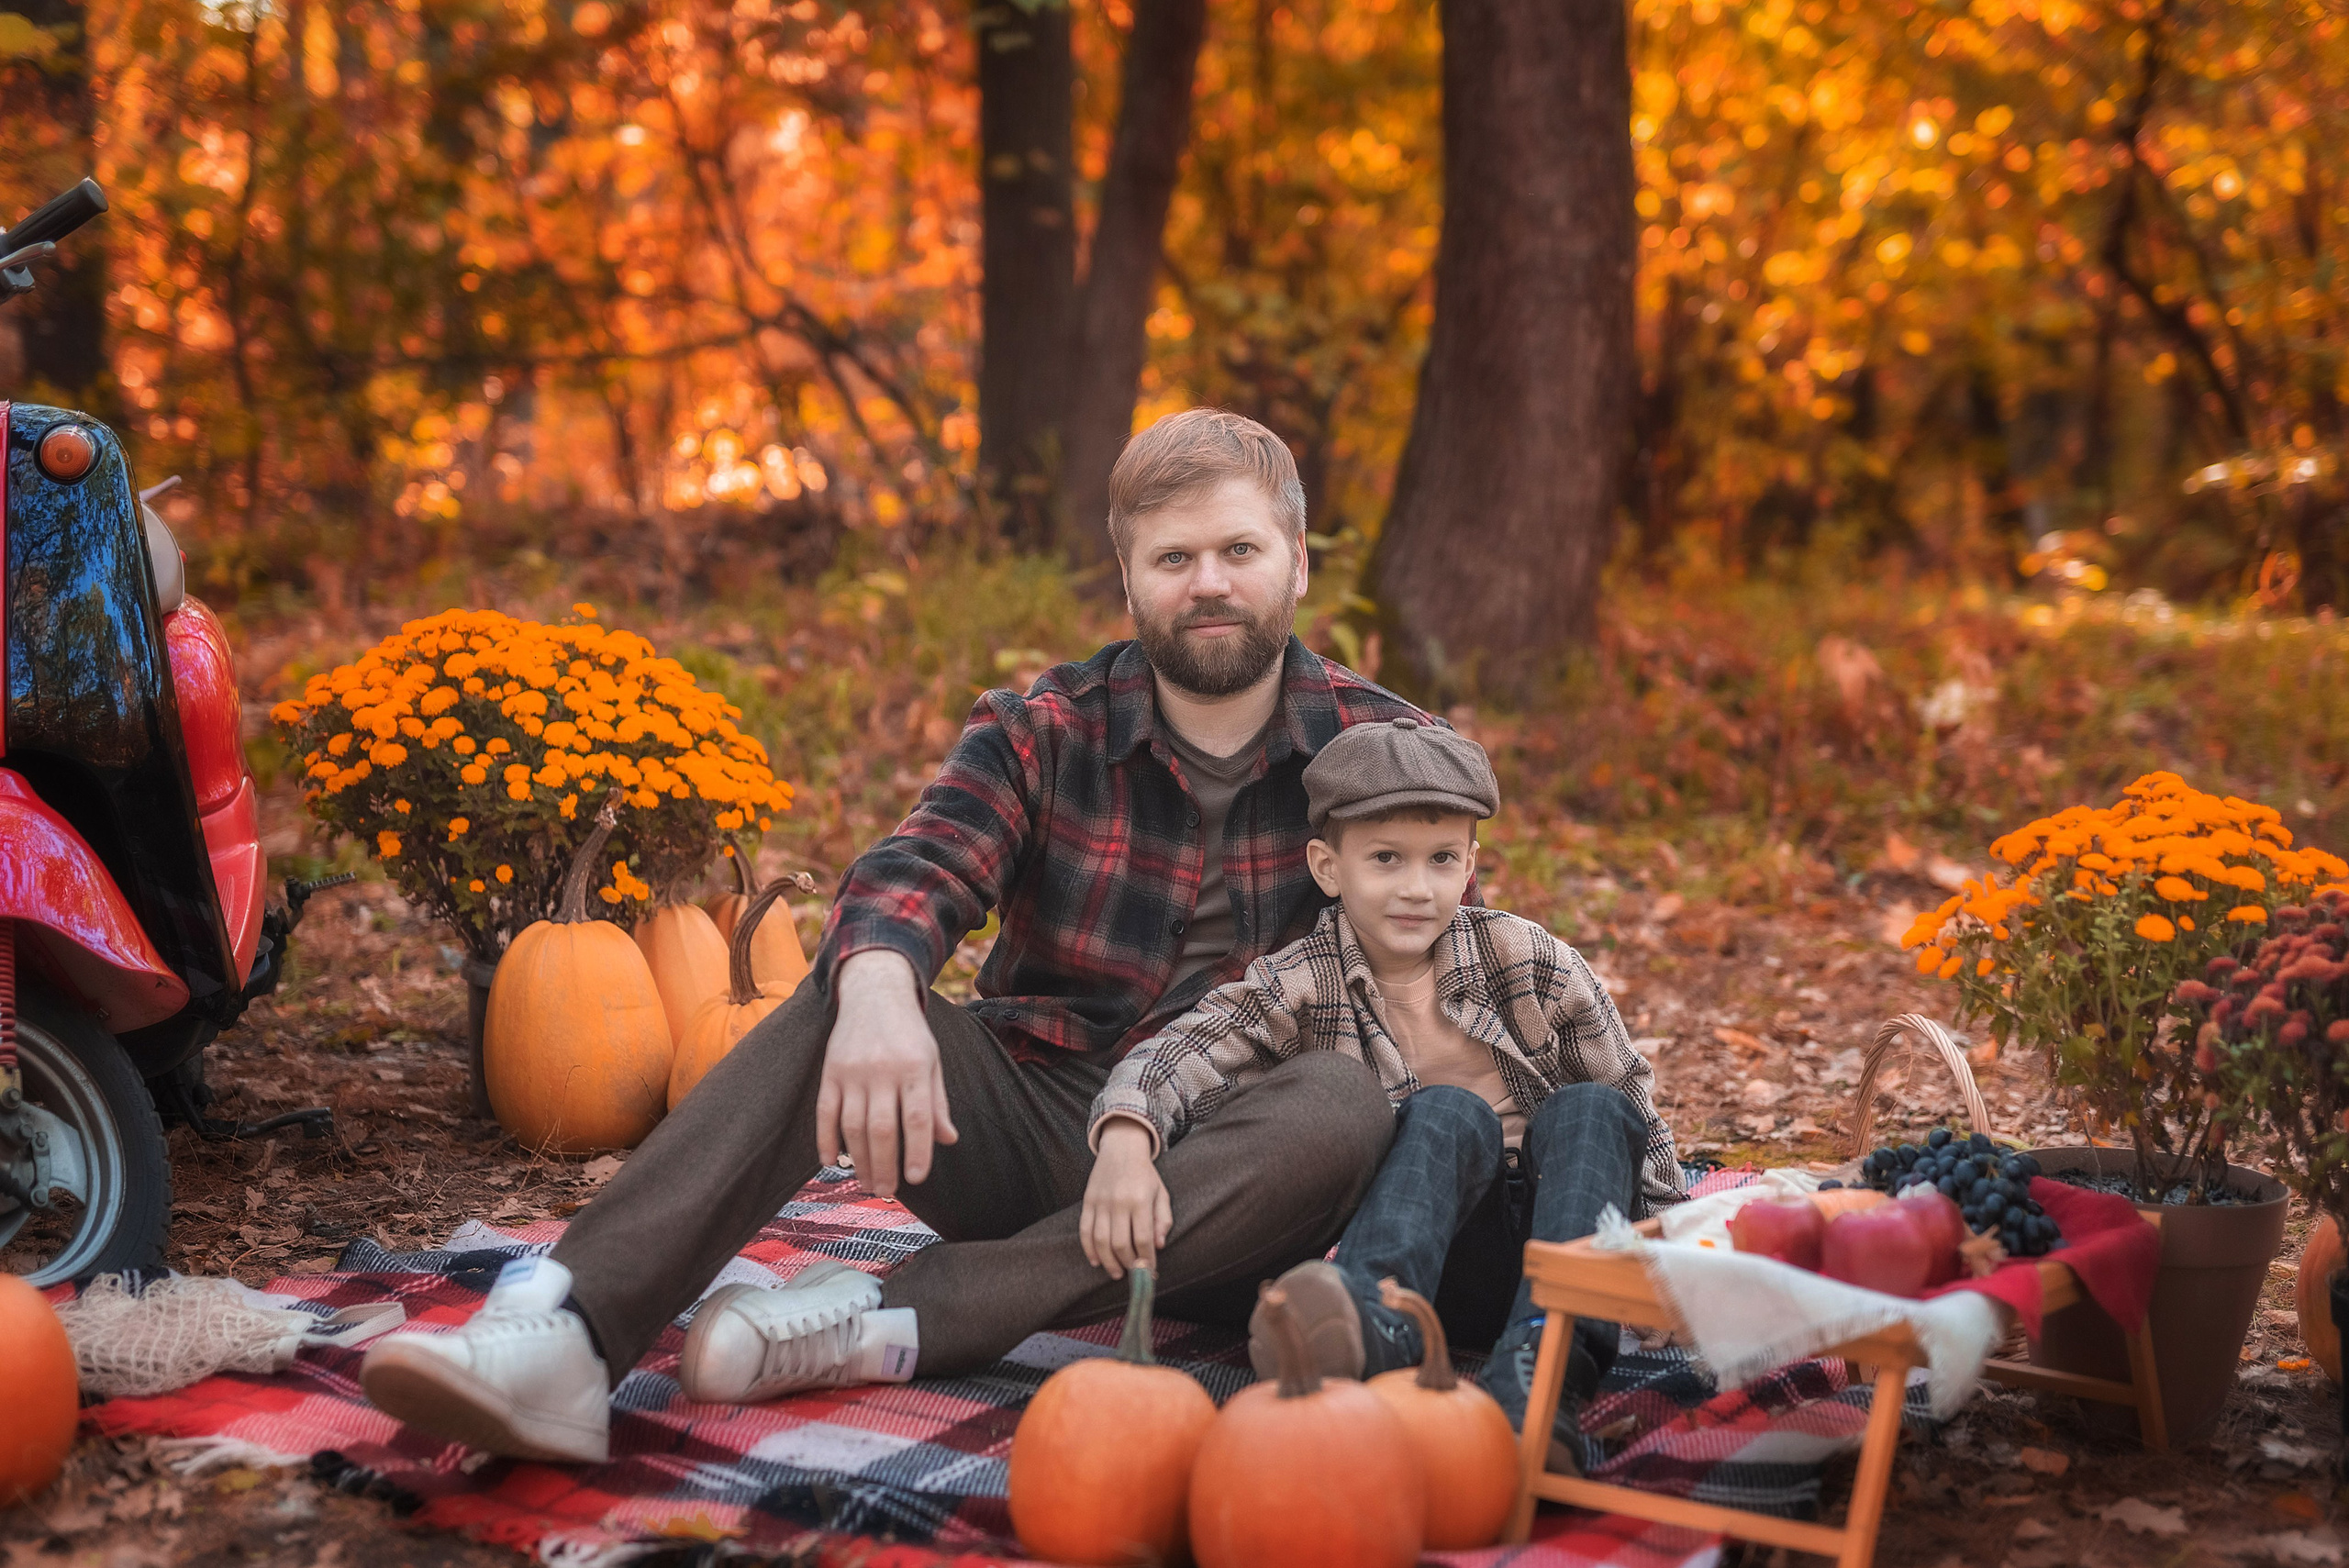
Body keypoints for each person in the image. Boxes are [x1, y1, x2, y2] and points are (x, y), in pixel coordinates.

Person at [359, 408, 1439, 1464]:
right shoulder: (1041, 730)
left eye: (1239, 549)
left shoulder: (1385, 750)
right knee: (853, 976)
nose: (1207, 582)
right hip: (1031, 1122)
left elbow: (1449, 969)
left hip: (1226, 1185)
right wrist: (876, 988)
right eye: (1174, 556)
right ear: (1128, 581)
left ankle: (902, 1310)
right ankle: (567, 1329)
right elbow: (916, 868)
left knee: (1342, 1097)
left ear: (1297, 563)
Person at [1080, 717, 1683, 1471]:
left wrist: (1673, 1259)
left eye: (1440, 860)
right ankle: (1365, 1328)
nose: (1415, 888)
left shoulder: (1532, 963)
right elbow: (1183, 1051)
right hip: (1428, 1257)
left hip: (1565, 1247)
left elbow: (1634, 1105)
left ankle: (1541, 1382)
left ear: (1469, 865)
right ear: (1329, 867)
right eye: (1386, 858)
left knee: (1593, 1109)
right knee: (1447, 1111)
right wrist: (1130, 1136)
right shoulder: (1301, 983)